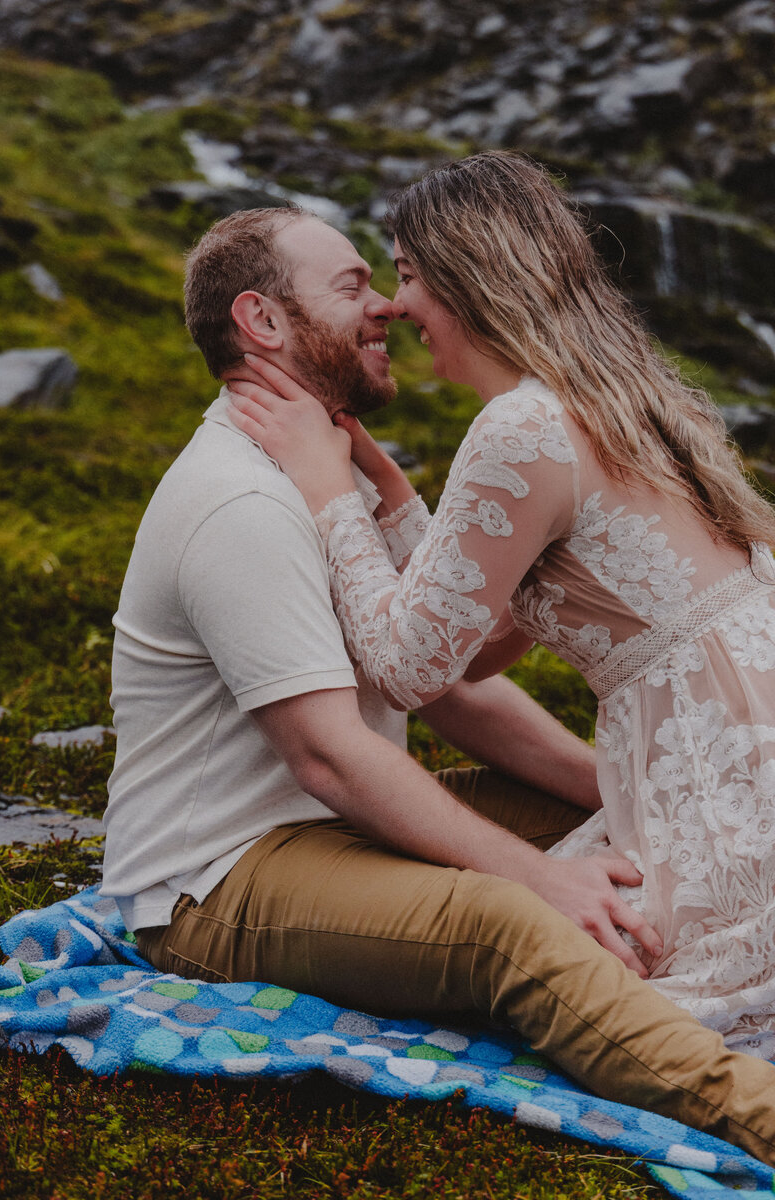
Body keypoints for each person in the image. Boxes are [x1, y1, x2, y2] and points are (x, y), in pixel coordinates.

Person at [101, 204, 775, 1167]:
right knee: (508, 921)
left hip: (338, 829)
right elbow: (331, 757)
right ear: (263, 321)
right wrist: (543, 879)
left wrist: (637, 791)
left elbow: (448, 684)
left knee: (618, 812)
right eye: (352, 286)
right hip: (220, 879)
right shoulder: (240, 500)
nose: (384, 306)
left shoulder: (323, 469)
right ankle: (756, 1109)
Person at [227, 152, 775, 1065]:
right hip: (743, 711)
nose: (395, 306)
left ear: (464, 272)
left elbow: (413, 670)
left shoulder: (521, 426)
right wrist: (397, 499)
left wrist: (327, 493)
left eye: (404, 272)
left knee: (614, 994)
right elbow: (481, 650)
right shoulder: (617, 394)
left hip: (721, 748)